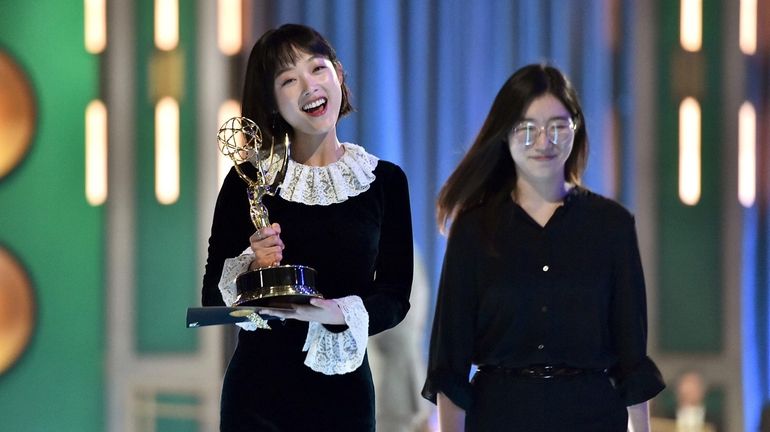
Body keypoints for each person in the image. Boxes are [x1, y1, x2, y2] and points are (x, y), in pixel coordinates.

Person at [421, 64, 665, 431]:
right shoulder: (473, 229)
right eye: (527, 128)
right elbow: (449, 366)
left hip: (592, 416)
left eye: (557, 126)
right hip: (500, 416)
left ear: (576, 128)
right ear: (504, 134)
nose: (543, 142)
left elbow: (632, 359)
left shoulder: (612, 225)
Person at [201, 23, 414, 432]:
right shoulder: (247, 181)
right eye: (288, 80)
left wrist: (339, 310)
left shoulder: (385, 181)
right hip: (258, 401)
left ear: (338, 74)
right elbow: (213, 297)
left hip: (344, 398)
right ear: (272, 101)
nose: (309, 87)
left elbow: (395, 296)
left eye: (317, 69)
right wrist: (251, 266)